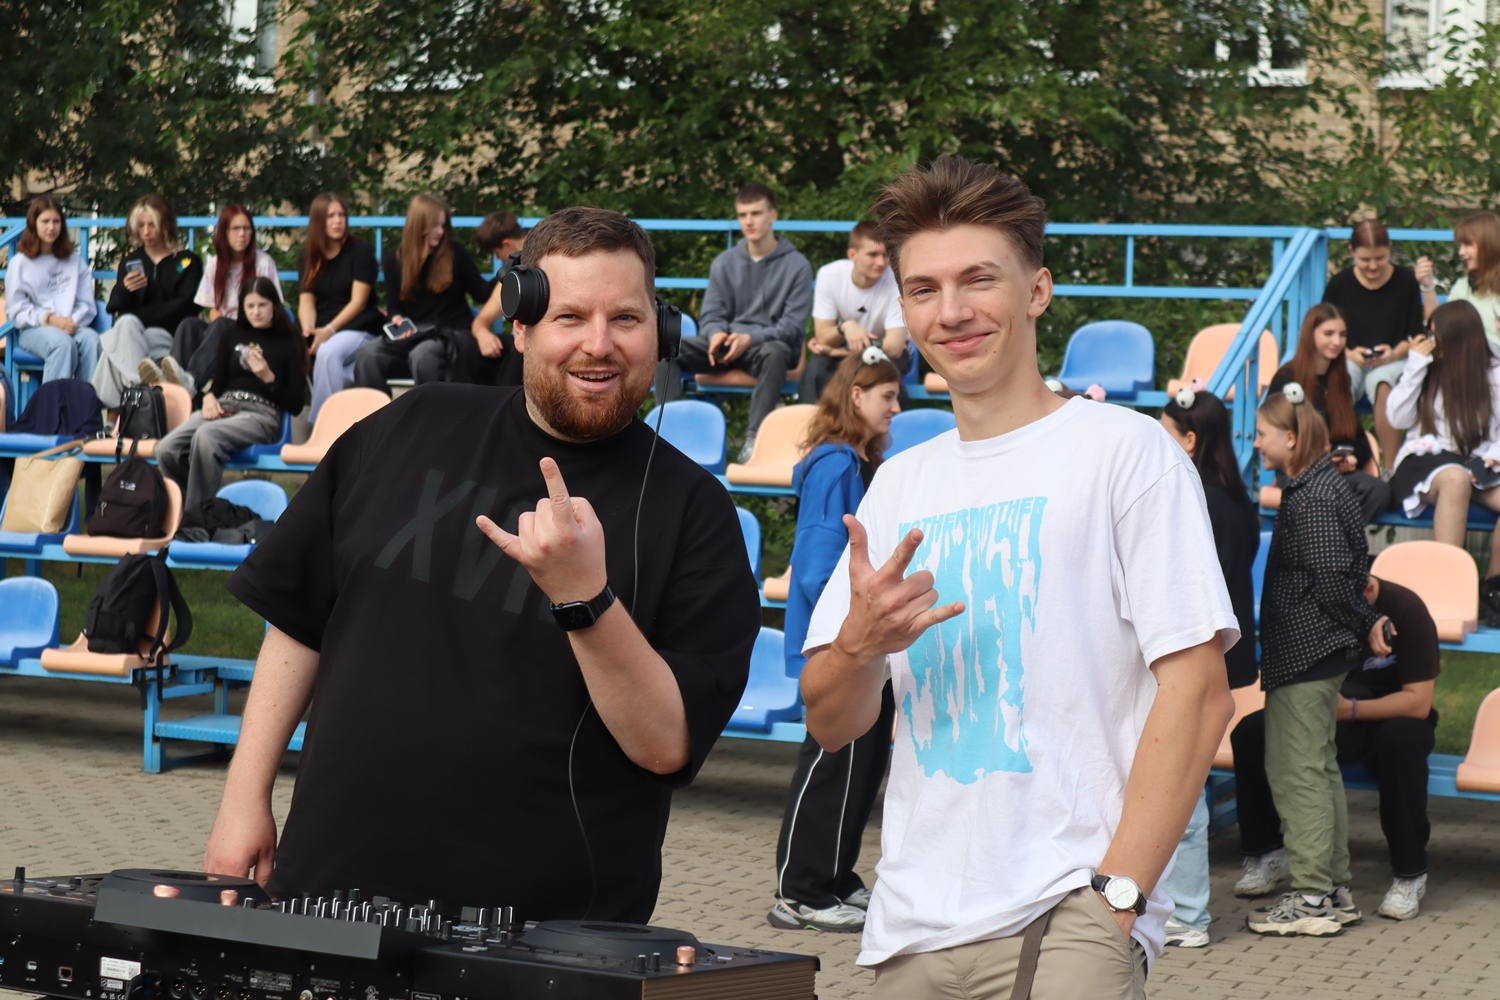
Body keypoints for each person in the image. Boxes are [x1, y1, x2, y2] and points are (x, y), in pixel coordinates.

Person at [202, 206, 759, 924]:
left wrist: (585, 599)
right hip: (327, 895)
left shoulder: (695, 511)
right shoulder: (407, 426)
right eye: (570, 317)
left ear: (662, 330)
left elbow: (665, 746)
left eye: (626, 318)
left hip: (547, 936)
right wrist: (243, 797)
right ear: (520, 324)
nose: (599, 345)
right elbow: (298, 618)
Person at [799, 156, 1237, 998]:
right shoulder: (898, 484)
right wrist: (858, 645)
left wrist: (1118, 899)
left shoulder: (1126, 453)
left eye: (978, 280)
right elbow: (832, 722)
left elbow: (1199, 692)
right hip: (911, 927)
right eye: (923, 289)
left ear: (1037, 290)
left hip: (1068, 915)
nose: (951, 311)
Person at [1245, 387, 1388, 937]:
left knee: (1297, 772)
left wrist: (1362, 620)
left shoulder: (1313, 496)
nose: (1256, 443)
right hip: (1315, 650)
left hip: (1310, 651)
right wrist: (1362, 620)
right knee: (1319, 769)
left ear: (1290, 437)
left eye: (1262, 434)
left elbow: (1331, 578)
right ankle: (1332, 889)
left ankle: (1310, 899)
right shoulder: (1318, 486)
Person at [770, 350, 904, 934]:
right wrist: (851, 632)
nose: (895, 408)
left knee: (862, 765)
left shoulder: (860, 464)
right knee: (832, 763)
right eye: (886, 396)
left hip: (866, 642)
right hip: (843, 645)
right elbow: (816, 564)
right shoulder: (835, 463)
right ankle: (799, 891)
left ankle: (835, 876)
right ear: (855, 396)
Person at [1231, 574, 1439, 921]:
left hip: (1390, 716)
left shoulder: (1407, 610)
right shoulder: (1321, 606)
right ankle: (1266, 851)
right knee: (1251, 733)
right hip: (1333, 712)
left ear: (1367, 591)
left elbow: (1418, 702)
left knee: (1401, 743)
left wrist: (1351, 710)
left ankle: (1410, 873)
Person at [1157, 384, 1261, 948]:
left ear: (1191, 440)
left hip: (1198, 657)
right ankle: (1181, 908)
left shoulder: (1201, 502)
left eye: (1165, 433)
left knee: (1182, 786)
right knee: (1183, 780)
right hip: (1217, 656)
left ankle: (1189, 914)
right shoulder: (1233, 498)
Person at [662, 184, 813, 461]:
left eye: (756, 213)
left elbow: (792, 328)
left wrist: (750, 339)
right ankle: (667, 433)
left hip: (765, 348)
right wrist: (716, 334)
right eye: (743, 215)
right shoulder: (724, 262)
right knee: (666, 348)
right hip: (725, 345)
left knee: (777, 352)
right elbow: (711, 314)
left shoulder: (798, 266)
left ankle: (754, 441)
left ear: (773, 215)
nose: (749, 221)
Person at [155, 277, 306, 524]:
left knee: (206, 437)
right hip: (224, 406)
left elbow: (296, 404)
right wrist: (209, 398)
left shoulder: (290, 341)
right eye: (250, 306)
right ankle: (187, 514)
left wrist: (269, 379)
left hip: (261, 414)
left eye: (262, 305)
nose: (256, 312)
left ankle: (198, 521)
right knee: (166, 448)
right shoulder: (232, 335)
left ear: (274, 306)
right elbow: (218, 385)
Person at [1385, 300, 1500, 578]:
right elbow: (1397, 419)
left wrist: (1492, 457)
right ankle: (1449, 583)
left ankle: (1493, 586)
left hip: (1476, 464)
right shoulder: (1424, 367)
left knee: (1461, 476)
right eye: (1430, 333)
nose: (1432, 341)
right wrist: (1414, 367)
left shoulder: (1494, 373)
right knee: (1455, 480)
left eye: (1438, 335)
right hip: (1427, 460)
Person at [352, 194, 492, 395]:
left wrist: (507, 272)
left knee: (423, 356)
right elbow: (394, 305)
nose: (440, 231)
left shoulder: (455, 253)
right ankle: (379, 414)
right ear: (419, 225)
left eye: (443, 225)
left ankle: (431, 414)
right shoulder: (394, 260)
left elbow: (481, 292)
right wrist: (396, 318)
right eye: (435, 226)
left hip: (450, 333)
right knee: (368, 355)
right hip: (414, 334)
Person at [1268, 304, 1391, 521]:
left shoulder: (1341, 379)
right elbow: (1275, 434)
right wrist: (1318, 460)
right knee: (1324, 492)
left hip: (1333, 471)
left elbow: (1355, 435)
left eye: (1342, 335)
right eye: (1328, 334)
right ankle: (1326, 537)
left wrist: (1351, 457)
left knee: (1378, 491)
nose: (1337, 342)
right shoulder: (1286, 377)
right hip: (1298, 470)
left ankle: (1334, 539)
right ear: (1310, 335)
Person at [1321, 220, 1425, 464]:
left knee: (1383, 384)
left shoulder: (1406, 282)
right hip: (1349, 357)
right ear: (1351, 252)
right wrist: (1348, 353)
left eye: (1380, 258)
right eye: (1365, 259)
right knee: (1338, 381)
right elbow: (1324, 328)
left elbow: (1414, 334)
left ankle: (1391, 467)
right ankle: (1334, 457)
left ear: (1389, 248)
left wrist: (1392, 354)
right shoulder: (1339, 284)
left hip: (1394, 360)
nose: (1373, 266)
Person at [92, 195, 204, 409]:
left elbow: (185, 306)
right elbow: (114, 307)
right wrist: (125, 289)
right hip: (134, 333)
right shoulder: (131, 261)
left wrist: (139, 315)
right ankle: (147, 386)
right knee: (125, 325)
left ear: (165, 224)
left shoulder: (187, 261)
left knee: (113, 347)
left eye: (152, 225)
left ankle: (109, 413)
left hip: (167, 335)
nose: (146, 232)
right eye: (141, 225)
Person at [164, 204, 282, 398]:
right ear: (224, 232)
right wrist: (219, 324)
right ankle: (172, 387)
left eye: (246, 228)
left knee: (222, 324)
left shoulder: (263, 263)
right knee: (189, 325)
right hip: (222, 330)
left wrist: (227, 324)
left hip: (251, 331)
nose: (242, 234)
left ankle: (191, 381)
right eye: (235, 229)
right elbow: (213, 309)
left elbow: (274, 308)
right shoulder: (215, 264)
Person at [801, 222, 909, 403]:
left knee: (884, 376)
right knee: (815, 369)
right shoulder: (829, 275)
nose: (881, 262)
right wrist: (846, 327)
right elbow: (823, 337)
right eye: (872, 255)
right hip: (850, 347)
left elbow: (894, 348)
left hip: (885, 355)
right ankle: (809, 421)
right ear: (852, 255)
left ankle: (891, 422)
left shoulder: (897, 280)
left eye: (885, 254)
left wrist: (835, 352)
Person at [300, 192, 383, 421]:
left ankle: (323, 425)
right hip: (324, 330)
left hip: (358, 327)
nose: (338, 221)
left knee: (328, 352)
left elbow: (359, 302)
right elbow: (306, 302)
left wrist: (328, 331)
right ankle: (342, 423)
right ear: (319, 221)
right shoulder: (308, 256)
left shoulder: (360, 251)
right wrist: (309, 332)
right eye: (331, 216)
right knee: (324, 359)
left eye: (341, 215)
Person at [5, 195, 99, 384]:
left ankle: (87, 401)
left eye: (56, 221)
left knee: (91, 340)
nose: (51, 227)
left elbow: (86, 304)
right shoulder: (20, 263)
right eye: (45, 221)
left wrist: (69, 323)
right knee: (61, 344)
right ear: (34, 223)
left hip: (72, 326)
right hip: (35, 329)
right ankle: (53, 402)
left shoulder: (74, 260)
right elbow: (16, 310)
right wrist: (49, 320)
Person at [1417, 211, 1500, 355]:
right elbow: (1438, 326)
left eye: (1468, 244)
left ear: (1489, 245)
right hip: (1467, 363)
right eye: (1461, 245)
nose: (1461, 252)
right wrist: (1428, 286)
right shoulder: (1464, 285)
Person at [464, 213, 527, 387]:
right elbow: (481, 321)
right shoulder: (512, 274)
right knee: (471, 351)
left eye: (496, 253)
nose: (498, 259)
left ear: (507, 244)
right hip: (519, 342)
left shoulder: (549, 259)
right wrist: (483, 335)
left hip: (541, 343)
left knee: (517, 357)